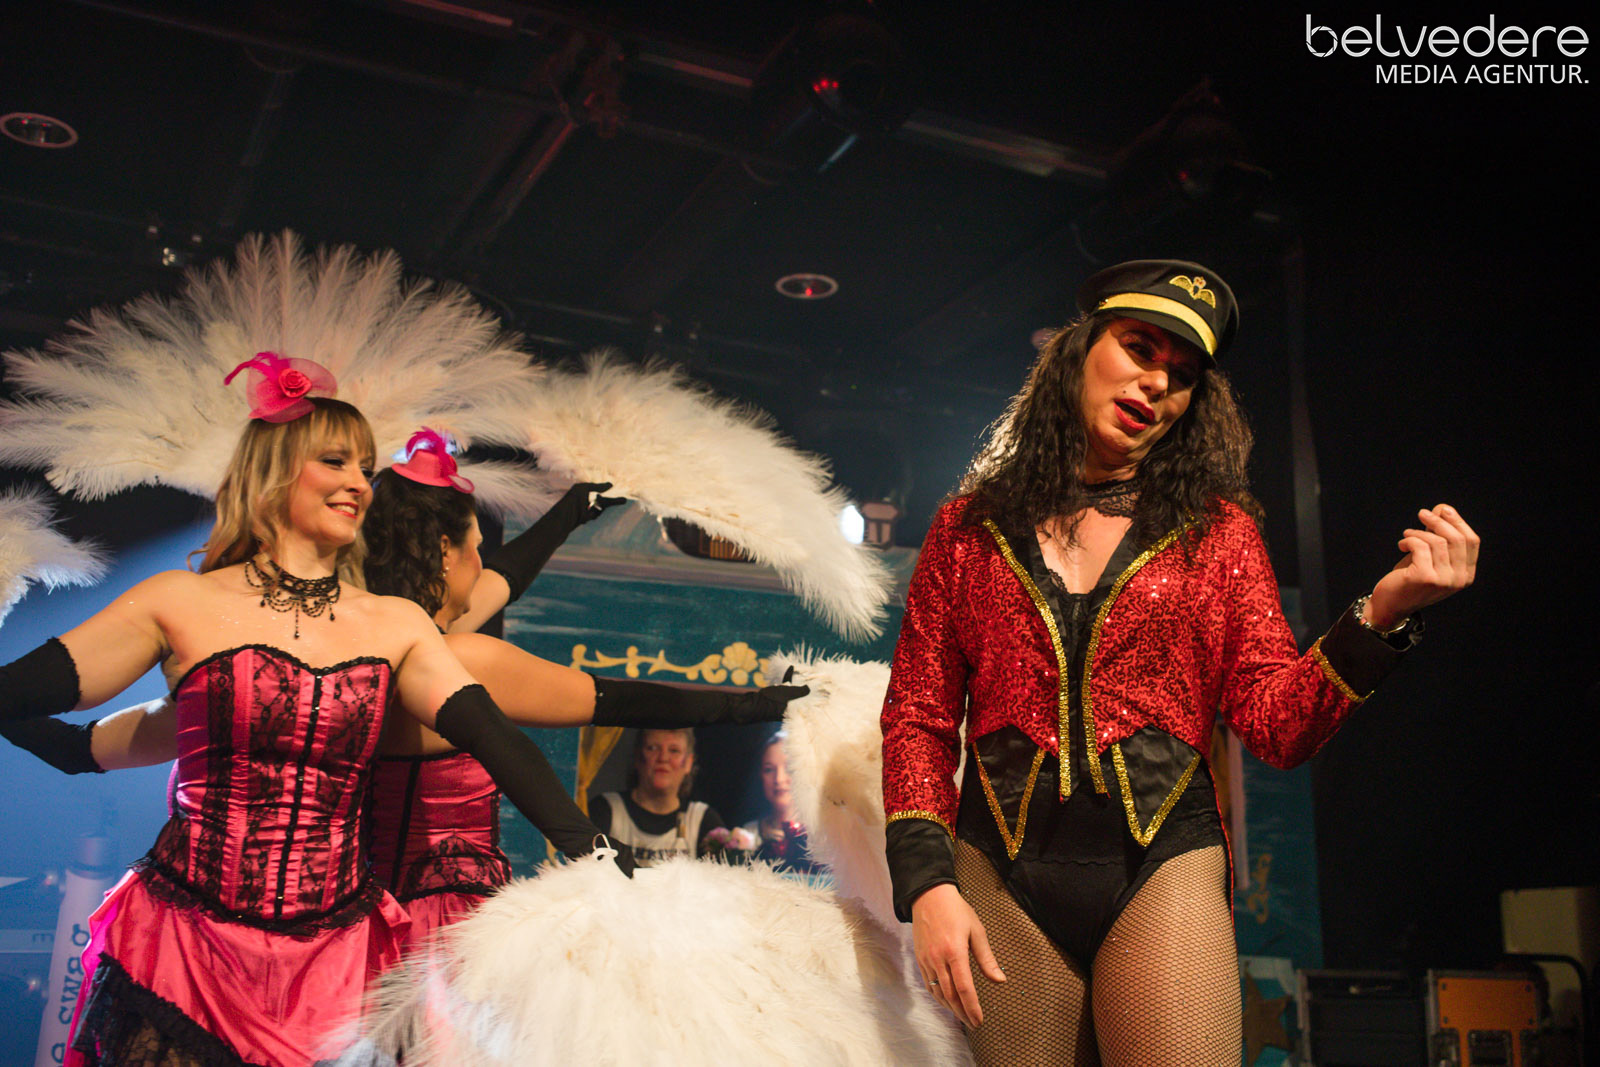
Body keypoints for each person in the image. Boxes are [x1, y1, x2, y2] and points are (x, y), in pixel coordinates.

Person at [879, 260, 1479, 1066]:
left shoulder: (1218, 534)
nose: (1158, 382)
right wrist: (927, 883)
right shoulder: (966, 530)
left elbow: (1276, 723)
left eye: (1183, 373)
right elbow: (917, 716)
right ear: (1079, 351)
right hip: (1001, 873)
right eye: (1140, 348)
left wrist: (1383, 613)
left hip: (1161, 864)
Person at [0, 355, 626, 1065]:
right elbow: (45, 712)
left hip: (331, 963)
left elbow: (495, 738)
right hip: (185, 945)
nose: (360, 482)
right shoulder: (179, 602)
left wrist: (596, 850)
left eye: (365, 467)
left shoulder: (394, 625)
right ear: (274, 469)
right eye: (336, 461)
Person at [3, 427, 806, 944]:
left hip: (319, 920)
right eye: (473, 547)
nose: (487, 568)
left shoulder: (339, 654)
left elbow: (80, 751)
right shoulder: (442, 654)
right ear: (447, 553)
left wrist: (570, 512)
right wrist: (756, 706)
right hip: (430, 921)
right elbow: (616, 697)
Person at [590, 727, 726, 864]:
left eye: (674, 750)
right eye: (653, 748)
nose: (663, 758)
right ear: (637, 756)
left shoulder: (702, 820)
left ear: (689, 762)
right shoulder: (605, 810)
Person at [739, 731, 815, 871]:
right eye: (769, 770)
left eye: (789, 768)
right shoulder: (748, 835)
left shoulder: (820, 837)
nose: (779, 779)